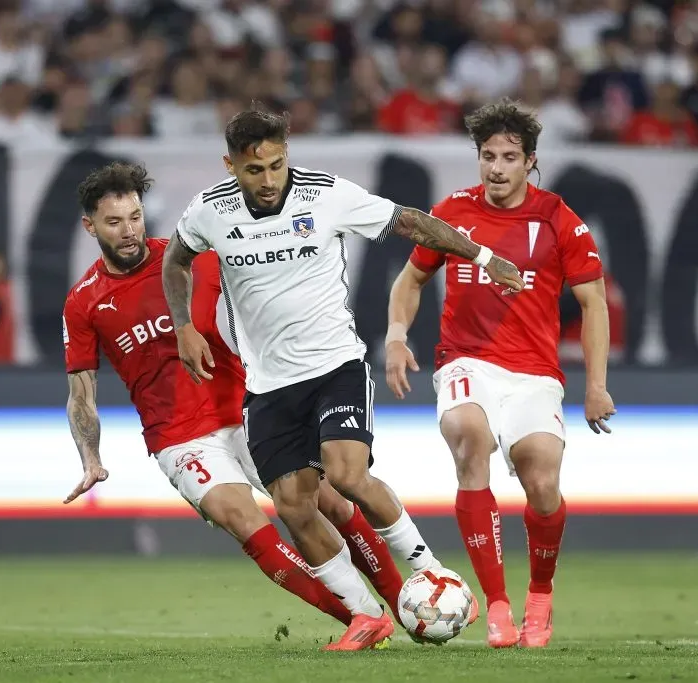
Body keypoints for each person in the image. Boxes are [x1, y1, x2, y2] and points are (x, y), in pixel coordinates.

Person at [161, 107, 524, 651]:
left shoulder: (326, 195)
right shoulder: (209, 211)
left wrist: (484, 254)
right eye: (254, 169)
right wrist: (184, 326)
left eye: (277, 165)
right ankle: (364, 614)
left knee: (347, 474)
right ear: (230, 164)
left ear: (288, 157)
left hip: (335, 367)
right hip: (268, 385)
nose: (267, 180)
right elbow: (175, 261)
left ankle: (432, 570)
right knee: (292, 506)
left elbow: (408, 220)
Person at [61, 162, 405, 638]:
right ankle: (362, 617)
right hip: (179, 438)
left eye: (135, 217)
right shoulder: (84, 302)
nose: (128, 231)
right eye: (114, 222)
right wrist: (91, 457)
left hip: (244, 409)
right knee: (244, 521)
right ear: (90, 226)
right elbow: (81, 394)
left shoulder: (186, 261)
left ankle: (405, 601)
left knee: (328, 499)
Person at [384, 98, 616, 649]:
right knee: (467, 434)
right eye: (488, 156)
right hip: (465, 360)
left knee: (542, 482)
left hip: (535, 373)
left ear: (530, 161)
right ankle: (497, 606)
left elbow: (594, 303)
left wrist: (598, 385)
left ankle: (539, 595)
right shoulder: (454, 213)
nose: (496, 167)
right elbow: (409, 282)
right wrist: (396, 337)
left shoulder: (559, 220)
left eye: (509, 157)